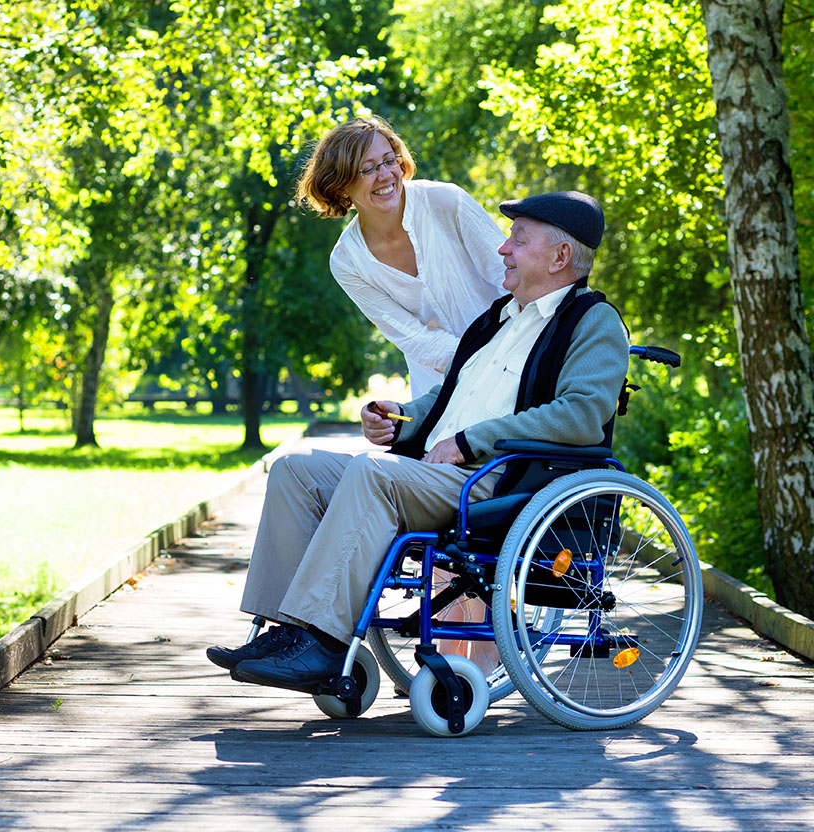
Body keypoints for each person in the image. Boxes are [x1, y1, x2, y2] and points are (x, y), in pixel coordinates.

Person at [207, 191, 630, 693]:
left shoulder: (593, 321)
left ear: (561, 257)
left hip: (497, 483)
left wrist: (470, 441)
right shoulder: (499, 318)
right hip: (440, 471)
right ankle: (284, 631)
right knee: (295, 471)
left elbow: (582, 415)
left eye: (519, 239)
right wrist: (401, 419)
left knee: (373, 474)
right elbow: (449, 394)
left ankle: (322, 642)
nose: (503, 249)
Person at [296, 115, 507, 397]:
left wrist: (507, 354)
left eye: (389, 160)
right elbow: (413, 338)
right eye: (367, 169)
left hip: (510, 363)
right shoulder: (347, 261)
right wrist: (478, 362)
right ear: (340, 186)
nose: (385, 175)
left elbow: (511, 276)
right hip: (438, 393)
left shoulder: (447, 201)